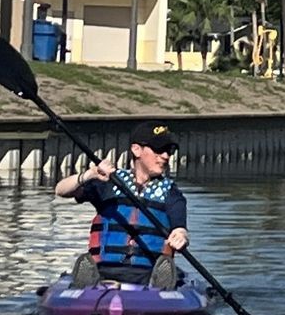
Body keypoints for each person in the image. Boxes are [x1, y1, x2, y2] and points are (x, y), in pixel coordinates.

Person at [53, 121, 190, 290]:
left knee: (164, 274)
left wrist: (181, 234)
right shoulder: (108, 182)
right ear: (136, 150)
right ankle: (87, 282)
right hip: (104, 269)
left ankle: (161, 284)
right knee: (92, 272)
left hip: (147, 273)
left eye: (169, 151)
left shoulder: (171, 192)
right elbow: (61, 190)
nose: (165, 156)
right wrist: (89, 174)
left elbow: (179, 226)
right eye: (158, 149)